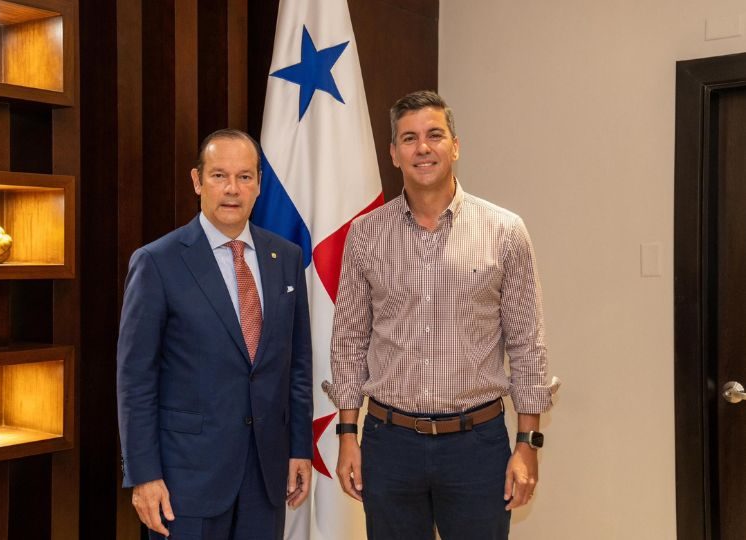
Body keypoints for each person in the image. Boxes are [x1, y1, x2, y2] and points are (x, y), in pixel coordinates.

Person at [328, 91, 553, 540]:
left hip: (476, 444)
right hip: (389, 443)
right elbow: (349, 341)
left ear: (455, 145)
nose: (422, 148)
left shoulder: (504, 231)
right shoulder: (365, 234)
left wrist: (528, 444)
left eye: (435, 135)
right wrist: (347, 435)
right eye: (408, 138)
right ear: (393, 153)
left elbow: (528, 345)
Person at [117, 129, 313, 540]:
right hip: (185, 480)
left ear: (259, 184)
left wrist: (299, 447)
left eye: (244, 177)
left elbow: (296, 366)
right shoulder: (157, 262)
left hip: (265, 475)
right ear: (196, 181)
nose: (232, 189)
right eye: (219, 175)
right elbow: (136, 380)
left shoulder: (287, 258)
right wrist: (143, 474)